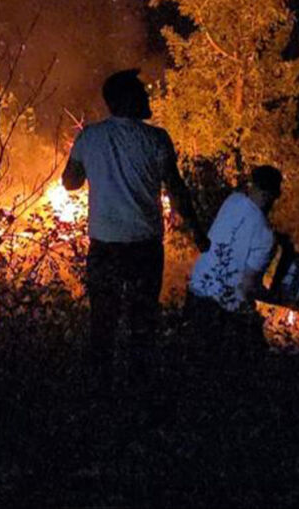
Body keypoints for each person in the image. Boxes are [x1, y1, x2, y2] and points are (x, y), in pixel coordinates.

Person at [62, 69, 207, 385]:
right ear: (126, 100)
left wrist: (96, 169)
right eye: (141, 92)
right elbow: (177, 190)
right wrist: (197, 231)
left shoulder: (89, 137)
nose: (147, 96)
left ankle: (100, 393)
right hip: (144, 248)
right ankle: (139, 390)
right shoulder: (156, 139)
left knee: (103, 321)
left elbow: (70, 182)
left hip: (105, 247)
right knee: (142, 323)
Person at [185, 164, 289, 360]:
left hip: (196, 292)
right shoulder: (266, 237)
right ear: (273, 195)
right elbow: (247, 287)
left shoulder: (232, 201)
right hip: (224, 311)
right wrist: (280, 299)